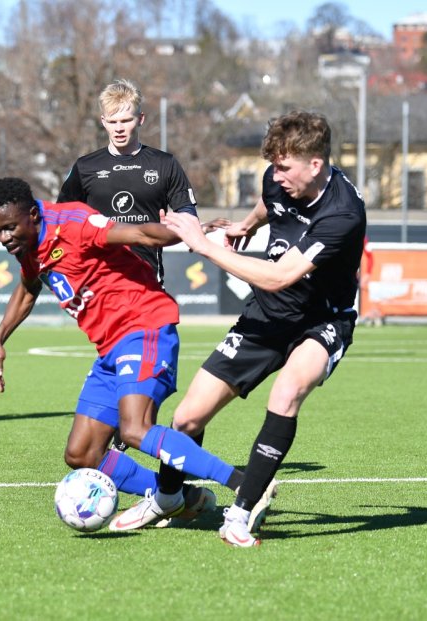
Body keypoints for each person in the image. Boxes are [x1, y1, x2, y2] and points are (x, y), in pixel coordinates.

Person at [118, 110, 366, 547]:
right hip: (269, 314)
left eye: (285, 167)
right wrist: (244, 226)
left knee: (286, 392)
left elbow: (277, 275)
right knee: (187, 416)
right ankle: (169, 497)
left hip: (324, 319)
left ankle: (243, 509)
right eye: (272, 165)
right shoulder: (279, 179)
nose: (276, 175)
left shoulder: (343, 212)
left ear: (316, 164)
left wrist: (202, 245)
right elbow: (269, 204)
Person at [0, 177, 253, 531]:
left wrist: (193, 234)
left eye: (9, 228)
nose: (4, 239)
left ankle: (247, 486)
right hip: (109, 348)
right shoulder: (29, 247)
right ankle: (178, 498)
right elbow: (28, 287)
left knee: (134, 429)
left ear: (32, 215)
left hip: (144, 327)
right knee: (82, 454)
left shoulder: (73, 224)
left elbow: (141, 235)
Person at [56, 78, 200, 285]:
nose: (119, 129)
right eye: (113, 122)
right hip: (97, 280)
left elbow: (187, 210)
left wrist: (185, 230)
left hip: (147, 278)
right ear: (103, 121)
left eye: (125, 120)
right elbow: (62, 216)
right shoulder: (85, 166)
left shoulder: (164, 163)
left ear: (140, 119)